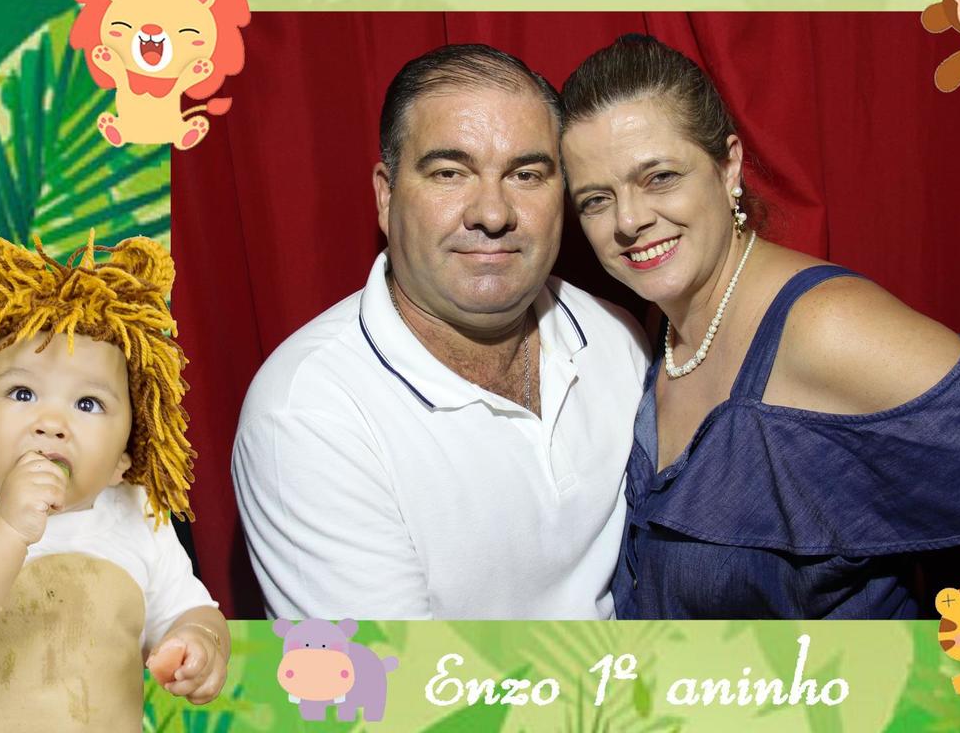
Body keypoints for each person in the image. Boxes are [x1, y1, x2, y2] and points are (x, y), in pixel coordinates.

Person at [558, 34, 960, 619]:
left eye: (660, 177)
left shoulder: (824, 325)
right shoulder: (653, 329)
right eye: (596, 199)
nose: (629, 219)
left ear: (729, 167)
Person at [232, 44, 650, 620]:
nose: (493, 214)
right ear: (386, 196)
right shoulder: (309, 414)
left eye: (526, 174)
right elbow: (390, 673)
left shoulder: (619, 338)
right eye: (450, 173)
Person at [0, 234, 230, 731]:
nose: (52, 423)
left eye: (88, 404)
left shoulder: (141, 522)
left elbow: (192, 611)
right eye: (22, 392)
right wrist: (6, 529)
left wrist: (199, 643)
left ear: (125, 456)